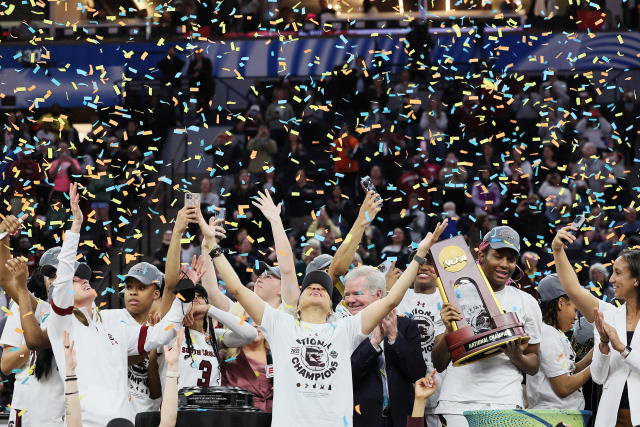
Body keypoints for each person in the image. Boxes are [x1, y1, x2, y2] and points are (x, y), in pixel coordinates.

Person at [210, 199, 447, 427]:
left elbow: (392, 299)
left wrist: (419, 256)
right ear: (297, 305)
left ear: (332, 305)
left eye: (323, 288)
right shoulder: (281, 324)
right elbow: (239, 289)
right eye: (310, 286)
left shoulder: (345, 328)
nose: (316, 287)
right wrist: (214, 249)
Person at [45, 183, 206, 426]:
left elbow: (159, 334)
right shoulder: (61, 325)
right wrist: (76, 226)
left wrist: (185, 298)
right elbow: (64, 276)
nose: (83, 281)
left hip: (125, 422)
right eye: (76, 281)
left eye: (85, 278)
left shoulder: (114, 328)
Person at [432, 225, 543, 427]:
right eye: (498, 256)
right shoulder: (454, 295)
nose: (504, 264)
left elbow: (534, 364)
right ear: (481, 256)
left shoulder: (528, 302)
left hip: (505, 402)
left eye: (511, 259)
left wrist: (516, 356)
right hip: (457, 403)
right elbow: (439, 364)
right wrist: (450, 331)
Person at [552, 225, 640, 427]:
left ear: (636, 280)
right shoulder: (608, 316)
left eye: (618, 273)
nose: (611, 279)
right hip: (611, 420)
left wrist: (622, 349)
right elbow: (599, 378)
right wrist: (557, 250)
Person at [344, 265, 426, 427]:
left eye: (356, 294)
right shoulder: (342, 328)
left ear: (378, 294)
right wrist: (373, 343)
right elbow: (346, 378)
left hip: (402, 418)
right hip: (363, 420)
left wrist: (394, 336)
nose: (350, 300)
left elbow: (417, 373)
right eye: (347, 295)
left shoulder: (406, 326)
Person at [526, 274, 592, 409]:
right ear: (561, 303)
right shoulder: (548, 335)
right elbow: (563, 387)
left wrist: (595, 354)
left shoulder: (554, 333)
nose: (576, 317)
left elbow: (568, 371)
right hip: (554, 418)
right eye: (575, 310)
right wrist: (597, 365)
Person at [396, 252, 445, 427]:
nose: (424, 267)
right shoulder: (398, 296)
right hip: (404, 392)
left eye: (430, 263)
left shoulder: (448, 297)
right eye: (419, 262)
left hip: (441, 394)